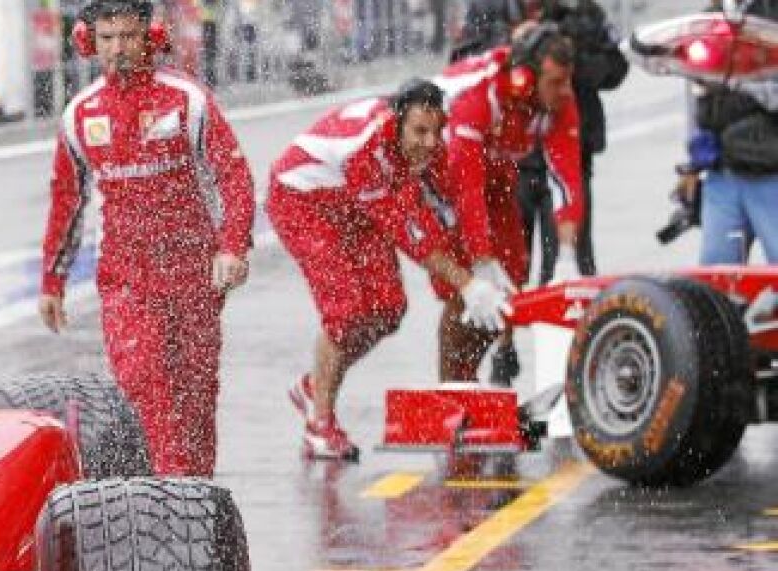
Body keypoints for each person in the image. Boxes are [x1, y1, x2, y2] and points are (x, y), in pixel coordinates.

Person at [38, 0, 254, 476]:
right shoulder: (80, 114)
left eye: (128, 37)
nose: (118, 49)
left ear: (149, 37)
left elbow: (233, 176)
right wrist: (52, 282)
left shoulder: (187, 100)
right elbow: (66, 203)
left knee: (195, 396)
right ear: (89, 42)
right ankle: (168, 487)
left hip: (194, 274)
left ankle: (195, 493)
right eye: (107, 38)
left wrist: (233, 247)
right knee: (144, 382)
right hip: (126, 279)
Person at [269, 79, 512, 460]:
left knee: (389, 308)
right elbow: (408, 232)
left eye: (436, 132)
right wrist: (467, 284)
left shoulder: (421, 144)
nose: (430, 143)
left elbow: (448, 206)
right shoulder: (367, 148)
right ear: (397, 122)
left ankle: (315, 385)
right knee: (347, 312)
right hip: (303, 202)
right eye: (420, 132)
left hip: (353, 203)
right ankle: (320, 424)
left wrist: (486, 261)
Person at [431, 24, 583, 382]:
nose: (565, 91)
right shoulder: (481, 93)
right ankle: (452, 386)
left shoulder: (559, 100)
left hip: (495, 171)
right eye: (556, 82)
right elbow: (466, 188)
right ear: (527, 75)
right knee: (467, 286)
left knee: (510, 282)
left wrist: (567, 255)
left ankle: (470, 376)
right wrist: (481, 260)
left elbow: (566, 178)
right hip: (443, 173)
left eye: (567, 81)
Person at [518, 0, 629, 283]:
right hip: (513, 161)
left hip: (572, 146)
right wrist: (517, 44)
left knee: (571, 261)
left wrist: (568, 55)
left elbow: (615, 68)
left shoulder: (583, 13)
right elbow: (467, 57)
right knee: (507, 268)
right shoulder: (492, 9)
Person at [683, 0, 778, 264]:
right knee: (717, 268)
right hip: (722, 173)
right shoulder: (709, 20)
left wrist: (742, 87)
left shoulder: (771, 16)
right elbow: (695, 97)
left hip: (770, 172)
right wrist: (692, 164)